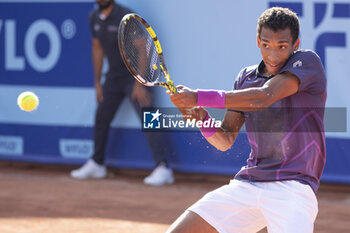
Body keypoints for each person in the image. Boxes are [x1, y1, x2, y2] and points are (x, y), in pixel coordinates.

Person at [167, 7, 326, 233]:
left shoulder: (308, 63)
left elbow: (263, 97)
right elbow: (225, 139)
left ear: (296, 45)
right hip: (248, 185)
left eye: (282, 46)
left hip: (293, 189)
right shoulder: (246, 78)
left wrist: (197, 96)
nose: (273, 55)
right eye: (266, 45)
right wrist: (200, 115)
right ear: (257, 41)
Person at [70, 0, 174, 186]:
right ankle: (97, 163)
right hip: (113, 78)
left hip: (136, 75)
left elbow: (143, 48)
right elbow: (97, 48)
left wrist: (139, 82)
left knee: (148, 115)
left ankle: (163, 167)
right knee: (101, 115)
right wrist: (97, 82)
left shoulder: (125, 16)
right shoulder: (93, 17)